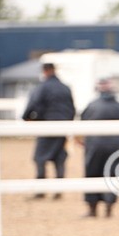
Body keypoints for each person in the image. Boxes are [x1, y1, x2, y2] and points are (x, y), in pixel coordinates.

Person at [75, 78, 119, 218]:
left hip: (94, 146)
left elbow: (82, 124)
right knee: (113, 175)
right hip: (115, 147)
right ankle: (109, 209)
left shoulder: (92, 105)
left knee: (92, 173)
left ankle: (92, 209)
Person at [22, 62, 76, 198]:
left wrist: (26, 117)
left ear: (45, 71)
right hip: (63, 128)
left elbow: (33, 103)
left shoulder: (42, 87)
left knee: (39, 158)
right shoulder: (65, 88)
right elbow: (72, 109)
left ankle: (41, 190)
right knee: (59, 158)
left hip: (46, 126)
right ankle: (58, 191)